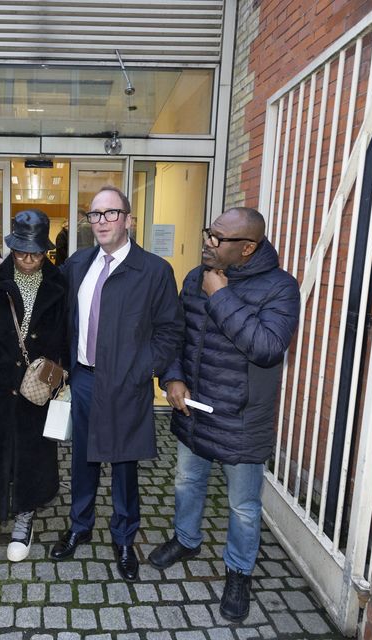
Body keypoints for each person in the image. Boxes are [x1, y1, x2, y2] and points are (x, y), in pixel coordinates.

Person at [150, 207, 300, 622]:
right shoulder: (194, 278)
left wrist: (220, 295)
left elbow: (267, 348)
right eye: (208, 233)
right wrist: (173, 378)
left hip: (242, 418)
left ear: (247, 248)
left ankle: (239, 571)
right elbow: (176, 336)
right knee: (187, 481)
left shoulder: (281, 288)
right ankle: (186, 538)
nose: (207, 242)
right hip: (195, 409)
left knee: (243, 506)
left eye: (218, 238)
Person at [49, 186, 184, 582]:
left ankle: (124, 538)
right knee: (83, 458)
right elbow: (44, 292)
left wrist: (142, 369)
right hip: (84, 379)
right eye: (95, 214)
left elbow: (170, 331)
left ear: (129, 220)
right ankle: (80, 526)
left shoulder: (154, 271)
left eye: (111, 213)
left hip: (127, 383)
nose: (102, 221)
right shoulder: (78, 263)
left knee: (124, 463)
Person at [0, 209, 67, 565]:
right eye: (21, 250)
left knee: (33, 453)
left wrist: (58, 379)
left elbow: (66, 336)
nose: (27, 258)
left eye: (35, 252)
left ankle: (25, 516)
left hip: (37, 386)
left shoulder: (59, 283)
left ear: (45, 250)